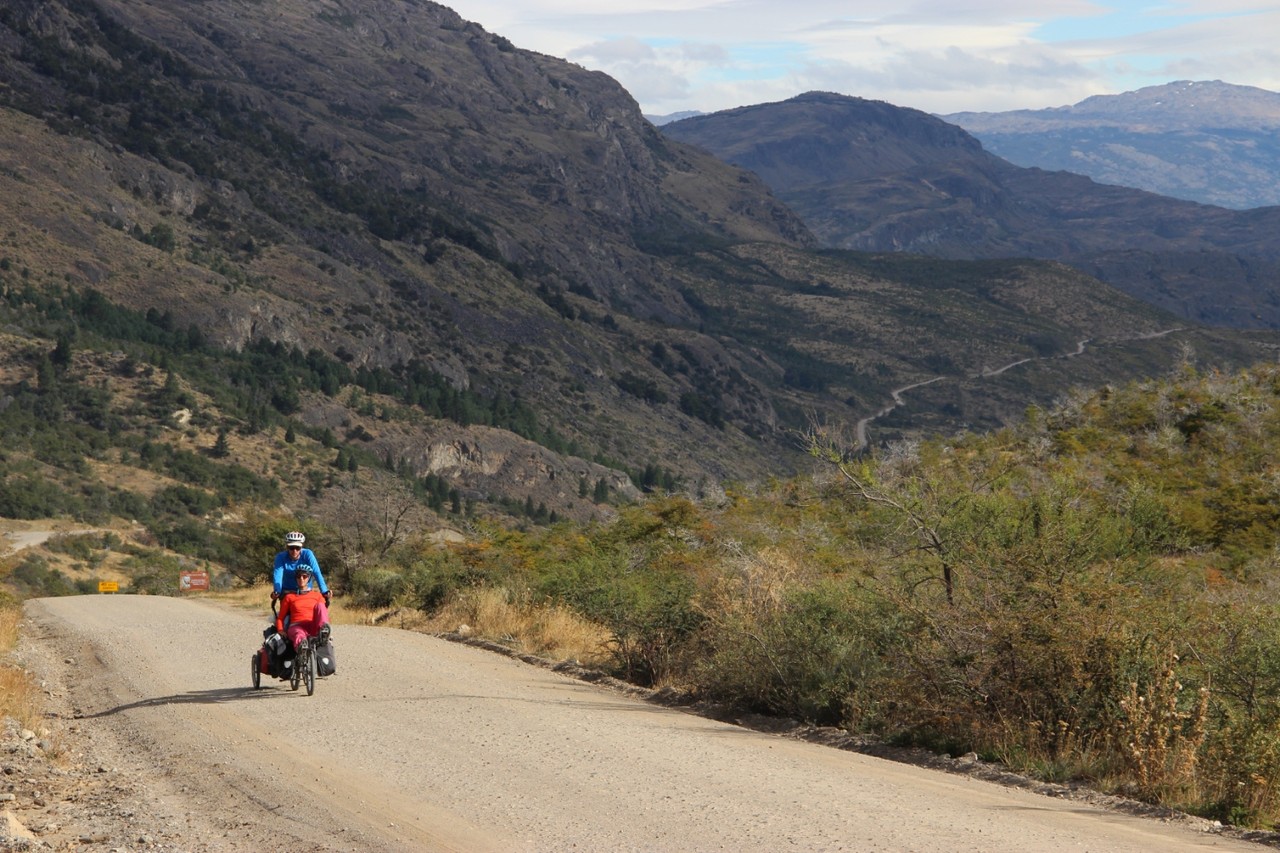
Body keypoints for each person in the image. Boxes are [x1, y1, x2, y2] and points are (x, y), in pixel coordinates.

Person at [274, 566, 331, 651]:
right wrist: (280, 630)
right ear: (295, 578)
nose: (301, 579)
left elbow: (323, 613)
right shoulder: (289, 597)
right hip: (296, 626)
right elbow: (280, 618)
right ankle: (302, 650)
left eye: (304, 576)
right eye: (298, 576)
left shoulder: (317, 596)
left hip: (313, 625)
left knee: (320, 605)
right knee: (299, 635)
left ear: (309, 578)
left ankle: (324, 632)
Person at [272, 531, 331, 607]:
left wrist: (324, 591)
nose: (294, 551)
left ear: (302, 547)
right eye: (291, 548)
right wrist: (277, 591)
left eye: (297, 548)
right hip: (288, 592)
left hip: (305, 591)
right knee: (285, 614)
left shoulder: (308, 554)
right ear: (287, 547)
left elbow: (316, 572)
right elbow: (278, 575)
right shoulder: (281, 557)